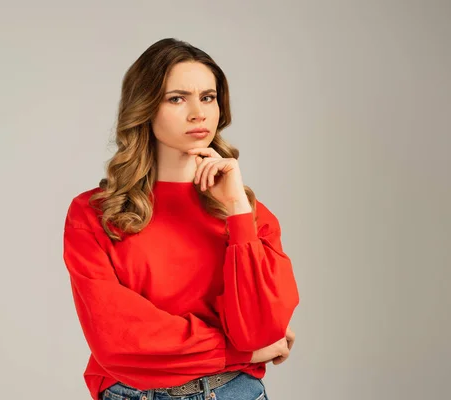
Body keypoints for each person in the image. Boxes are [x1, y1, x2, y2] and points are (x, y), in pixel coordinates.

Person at [62, 38, 300, 400]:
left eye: (208, 97)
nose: (198, 113)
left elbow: (261, 331)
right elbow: (120, 341)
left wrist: (237, 209)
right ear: (145, 108)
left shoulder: (250, 216)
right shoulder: (95, 214)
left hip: (237, 393)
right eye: (177, 98)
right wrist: (239, 353)